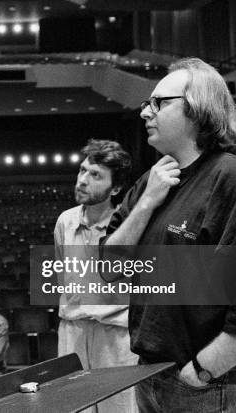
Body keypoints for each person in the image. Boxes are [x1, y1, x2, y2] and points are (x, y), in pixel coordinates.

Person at [102, 57, 236, 412]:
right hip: (150, 375)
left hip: (204, 385)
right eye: (145, 104)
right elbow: (109, 270)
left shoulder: (235, 180)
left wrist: (202, 370)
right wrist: (146, 204)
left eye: (158, 103)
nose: (144, 113)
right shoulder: (151, 181)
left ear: (198, 110)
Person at [54, 139, 137, 413]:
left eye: (95, 175)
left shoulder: (129, 225)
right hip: (72, 331)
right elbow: (61, 273)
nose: (82, 180)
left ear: (116, 188)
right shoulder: (65, 221)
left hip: (115, 335)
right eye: (82, 171)